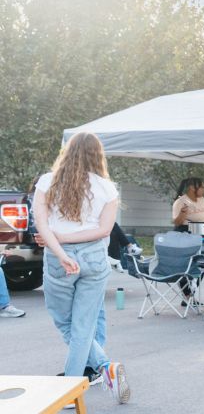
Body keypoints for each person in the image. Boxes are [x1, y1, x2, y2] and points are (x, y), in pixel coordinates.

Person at [31, 132, 131, 403]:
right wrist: (66, 243)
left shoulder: (47, 181)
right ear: (98, 155)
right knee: (84, 325)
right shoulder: (107, 188)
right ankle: (105, 368)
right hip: (94, 257)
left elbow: (42, 225)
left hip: (58, 258)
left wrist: (60, 250)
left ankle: (73, 389)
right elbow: (104, 230)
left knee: (66, 322)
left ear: (67, 151)